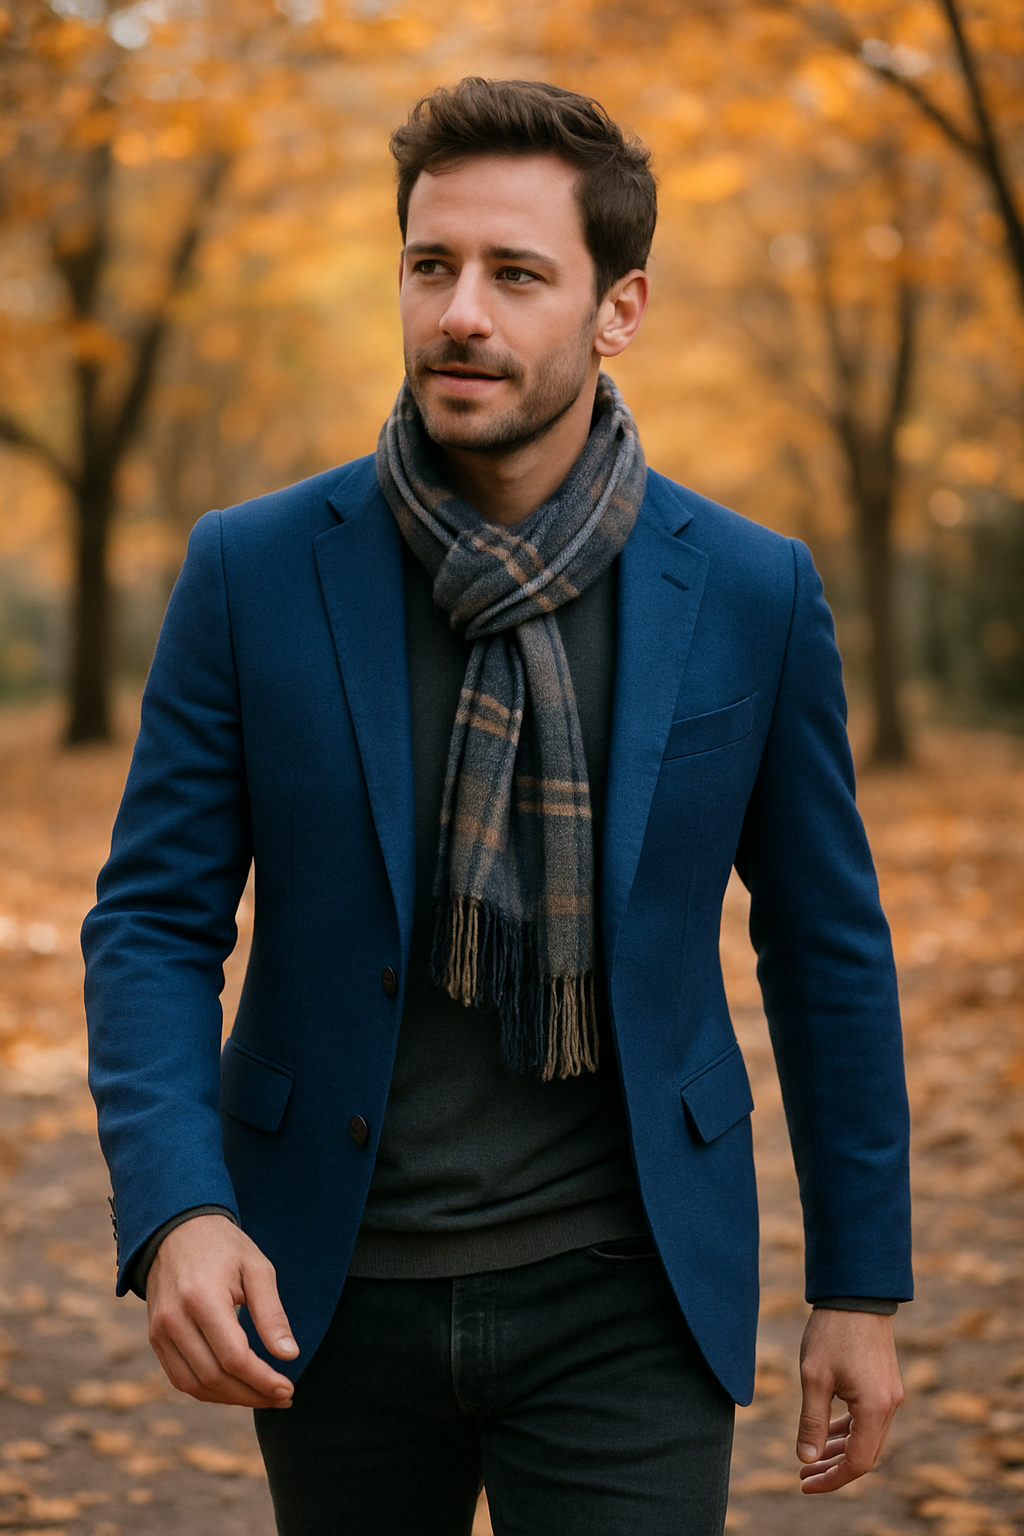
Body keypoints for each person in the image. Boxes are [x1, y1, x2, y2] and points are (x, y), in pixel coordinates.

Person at [82, 77, 911, 1536]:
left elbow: (826, 947)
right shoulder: (253, 570)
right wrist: (178, 1209)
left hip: (630, 1287)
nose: (461, 310)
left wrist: (859, 1284)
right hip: (326, 1284)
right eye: (431, 265)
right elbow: (153, 919)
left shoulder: (750, 592)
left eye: (516, 274)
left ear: (618, 307)